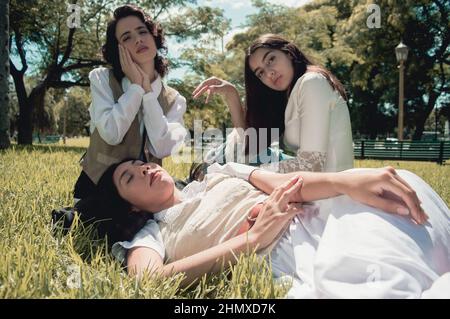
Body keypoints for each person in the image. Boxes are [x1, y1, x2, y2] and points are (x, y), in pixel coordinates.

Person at [81, 159, 450, 298]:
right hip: (286, 255)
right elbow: (148, 281)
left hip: (320, 214)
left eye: (140, 162)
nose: (143, 169)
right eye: (129, 176)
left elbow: (289, 185)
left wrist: (344, 182)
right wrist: (253, 238)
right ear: (130, 204)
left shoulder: (220, 172)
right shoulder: (152, 234)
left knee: (396, 186)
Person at [73, 4, 188, 202]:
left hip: (145, 196)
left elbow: (160, 149)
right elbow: (111, 133)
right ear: (118, 49)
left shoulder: (175, 99)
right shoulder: (102, 79)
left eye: (143, 32)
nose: (138, 40)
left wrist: (149, 95)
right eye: (126, 37)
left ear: (154, 38)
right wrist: (136, 88)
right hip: (97, 188)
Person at [193, 34, 353, 173]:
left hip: (330, 197)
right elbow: (250, 143)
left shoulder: (312, 82)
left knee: (233, 173)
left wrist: (249, 172)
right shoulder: (290, 94)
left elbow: (311, 166)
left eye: (271, 59)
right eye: (260, 72)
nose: (269, 73)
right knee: (234, 153)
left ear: (288, 53)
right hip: (313, 190)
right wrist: (232, 95)